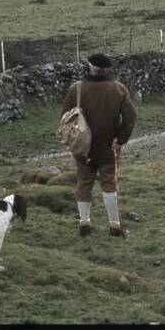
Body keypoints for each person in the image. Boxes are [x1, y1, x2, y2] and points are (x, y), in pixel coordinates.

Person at [60, 53, 136, 237]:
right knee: (109, 182)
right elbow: (130, 117)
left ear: (90, 68)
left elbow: (65, 117)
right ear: (108, 69)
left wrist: (72, 139)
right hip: (108, 146)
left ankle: (84, 221)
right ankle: (114, 224)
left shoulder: (75, 89)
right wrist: (121, 138)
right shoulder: (118, 89)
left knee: (84, 182)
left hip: (82, 146)